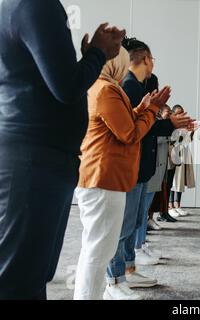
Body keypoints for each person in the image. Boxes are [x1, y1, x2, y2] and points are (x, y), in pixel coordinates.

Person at [0, 0, 124, 300]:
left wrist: (89, 59)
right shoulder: (34, 4)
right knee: (19, 280)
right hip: (34, 160)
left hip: (38, 158)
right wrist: (97, 53)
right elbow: (67, 87)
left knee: (32, 273)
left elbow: (54, 80)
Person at [73, 47, 171, 300]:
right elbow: (129, 134)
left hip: (102, 177)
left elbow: (122, 123)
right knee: (98, 251)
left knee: (96, 249)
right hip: (104, 178)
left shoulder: (103, 87)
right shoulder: (106, 89)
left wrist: (142, 109)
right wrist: (151, 110)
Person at [104, 38, 192, 300]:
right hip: (129, 165)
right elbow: (136, 128)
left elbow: (145, 122)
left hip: (140, 166)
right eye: (152, 58)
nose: (154, 63)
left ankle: (128, 269)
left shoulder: (137, 86)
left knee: (132, 223)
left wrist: (162, 117)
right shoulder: (128, 86)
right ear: (144, 59)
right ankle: (114, 279)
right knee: (122, 228)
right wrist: (170, 123)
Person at [168, 105, 197, 218]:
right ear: (173, 114)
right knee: (173, 181)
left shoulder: (185, 126)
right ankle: (170, 206)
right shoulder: (171, 125)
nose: (181, 114)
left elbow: (188, 140)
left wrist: (192, 131)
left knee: (181, 180)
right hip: (175, 154)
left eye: (182, 112)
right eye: (178, 113)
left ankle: (178, 205)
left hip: (184, 153)